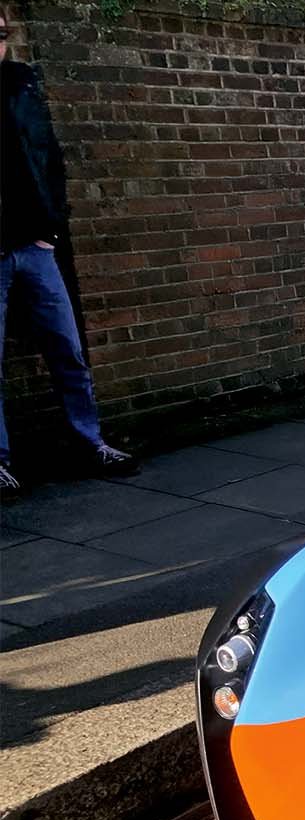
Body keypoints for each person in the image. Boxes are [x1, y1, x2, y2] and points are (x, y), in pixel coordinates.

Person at [1, 12, 135, 493]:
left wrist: (50, 230)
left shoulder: (20, 84)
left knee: (68, 349)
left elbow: (48, 158)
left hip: (35, 246)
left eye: (0, 35)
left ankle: (89, 441)